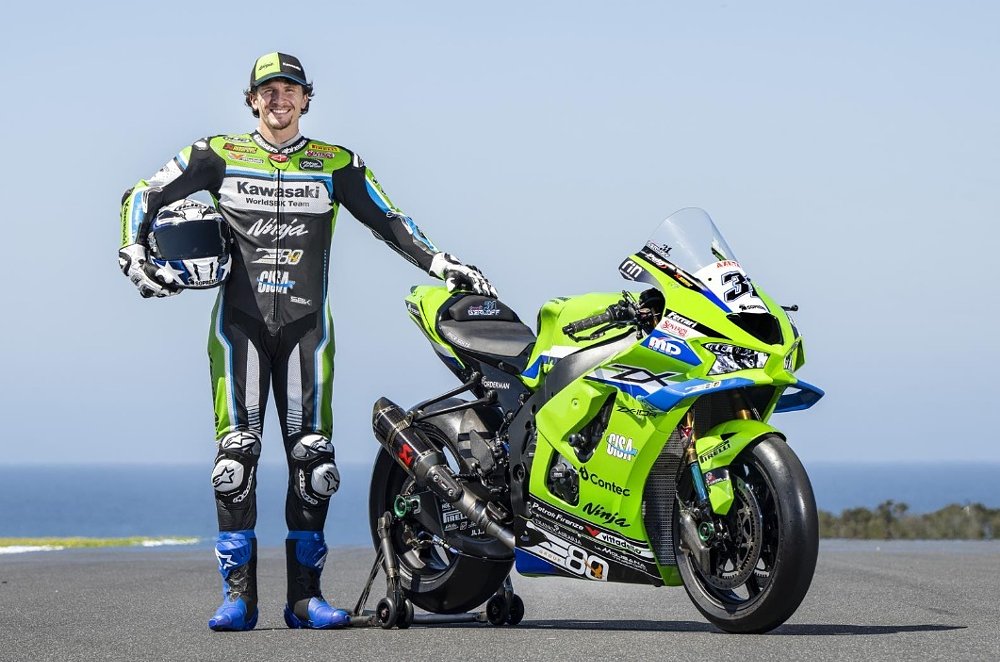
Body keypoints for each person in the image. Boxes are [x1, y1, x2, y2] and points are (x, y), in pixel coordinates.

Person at [118, 52, 496, 631]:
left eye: (289, 89)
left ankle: (305, 599)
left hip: (307, 332)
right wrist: (135, 252)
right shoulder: (216, 153)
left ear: (306, 98)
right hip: (238, 330)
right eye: (267, 90)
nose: (278, 99)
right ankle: (238, 599)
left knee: (314, 464)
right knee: (234, 463)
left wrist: (441, 264)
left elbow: (390, 222)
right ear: (252, 100)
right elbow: (140, 196)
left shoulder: (335, 163)